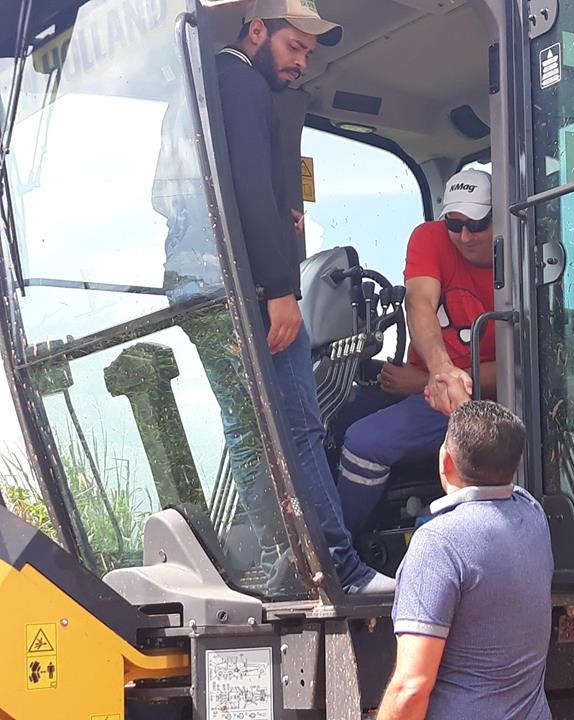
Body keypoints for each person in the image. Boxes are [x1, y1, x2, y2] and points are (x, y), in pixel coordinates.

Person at [154, 0, 391, 594]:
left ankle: (274, 565)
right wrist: (281, 291)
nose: (302, 61)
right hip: (247, 288)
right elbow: (253, 192)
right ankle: (338, 566)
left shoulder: (192, 91)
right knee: (300, 427)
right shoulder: (240, 82)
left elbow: (164, 195)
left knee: (245, 430)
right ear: (256, 30)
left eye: (310, 53)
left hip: (193, 284)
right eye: (293, 47)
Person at [335, 169, 497, 535]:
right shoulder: (430, 238)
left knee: (365, 442)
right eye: (454, 225)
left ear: (500, 215)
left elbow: (517, 367)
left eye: (477, 224)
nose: (465, 236)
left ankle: (337, 556)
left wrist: (423, 381)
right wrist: (440, 372)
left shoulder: (519, 257)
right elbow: (420, 302)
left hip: (483, 397)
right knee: (334, 414)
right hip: (438, 386)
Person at [377, 401, 554, 720]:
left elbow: (411, 689)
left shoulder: (438, 543)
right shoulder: (533, 515)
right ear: (517, 462)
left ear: (445, 460)